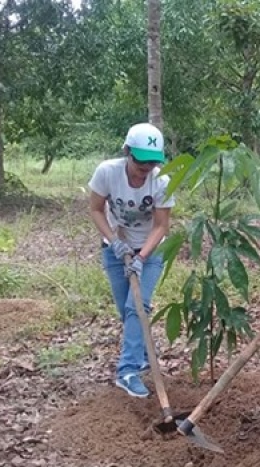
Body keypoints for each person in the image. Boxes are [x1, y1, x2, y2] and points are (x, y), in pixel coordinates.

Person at [88, 123, 175, 398]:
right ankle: (143, 356)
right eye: (140, 163)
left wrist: (142, 256)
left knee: (138, 307)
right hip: (115, 248)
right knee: (126, 310)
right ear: (127, 152)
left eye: (151, 164)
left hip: (150, 249)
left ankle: (127, 371)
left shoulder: (162, 181)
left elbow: (162, 226)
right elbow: (95, 209)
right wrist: (114, 242)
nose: (145, 169)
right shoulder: (107, 172)